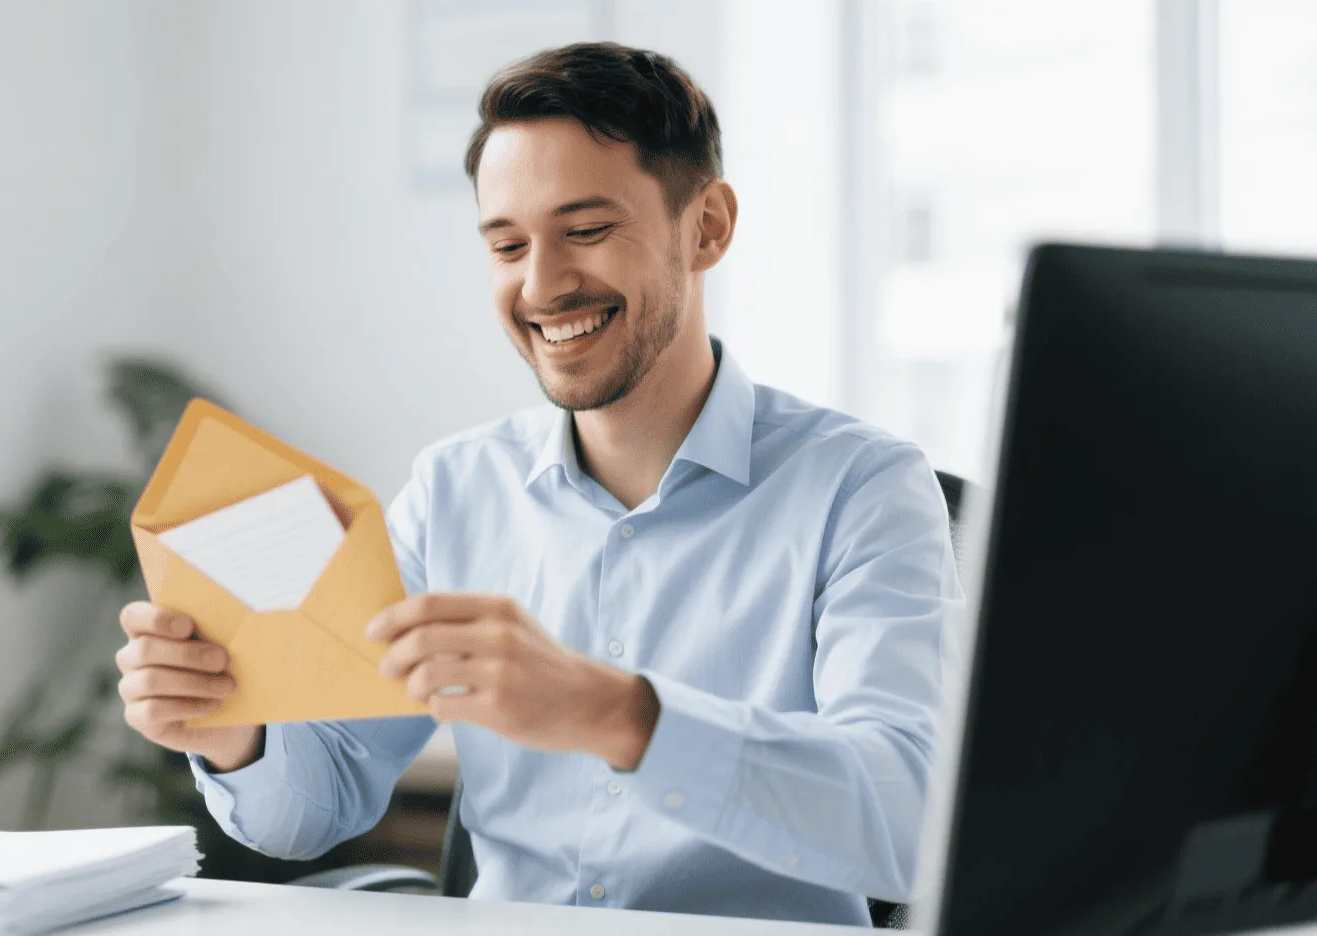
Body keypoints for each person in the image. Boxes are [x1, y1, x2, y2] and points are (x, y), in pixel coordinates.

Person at [114, 42, 960, 925]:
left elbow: (908, 822)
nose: (542, 285)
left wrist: (620, 715)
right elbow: (315, 803)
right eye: (508, 244)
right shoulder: (451, 491)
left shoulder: (863, 489)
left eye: (586, 231)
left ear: (706, 226)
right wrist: (232, 736)